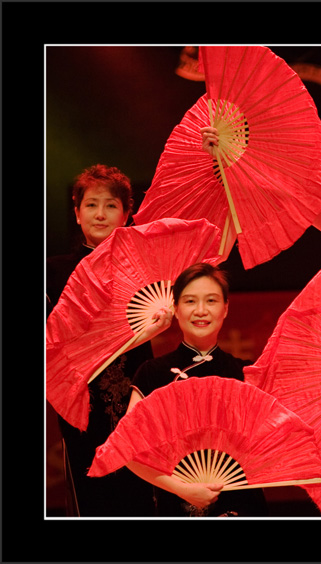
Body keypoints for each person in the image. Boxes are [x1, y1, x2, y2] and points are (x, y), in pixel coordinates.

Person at [46, 164, 171, 516]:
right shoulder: (53, 273)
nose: (100, 214)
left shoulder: (147, 267)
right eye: (91, 205)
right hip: (81, 402)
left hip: (136, 392)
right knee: (92, 496)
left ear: (128, 213)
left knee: (143, 491)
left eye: (111, 205)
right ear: (76, 212)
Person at [125, 262, 269, 517]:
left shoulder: (246, 373)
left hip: (244, 507)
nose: (201, 311)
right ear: (176, 309)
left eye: (211, 301)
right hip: (178, 505)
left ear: (225, 308)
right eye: (190, 301)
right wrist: (183, 490)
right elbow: (127, 450)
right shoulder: (152, 373)